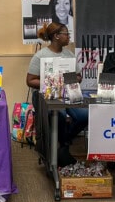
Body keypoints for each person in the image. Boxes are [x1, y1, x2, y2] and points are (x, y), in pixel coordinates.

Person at [26, 22, 87, 167]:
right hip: (46, 96)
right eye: (66, 34)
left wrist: (67, 79)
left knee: (85, 116)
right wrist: (51, 82)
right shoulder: (40, 56)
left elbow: (79, 77)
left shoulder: (69, 55)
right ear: (56, 36)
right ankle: (61, 148)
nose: (69, 37)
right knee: (58, 116)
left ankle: (62, 142)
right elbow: (30, 81)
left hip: (68, 94)